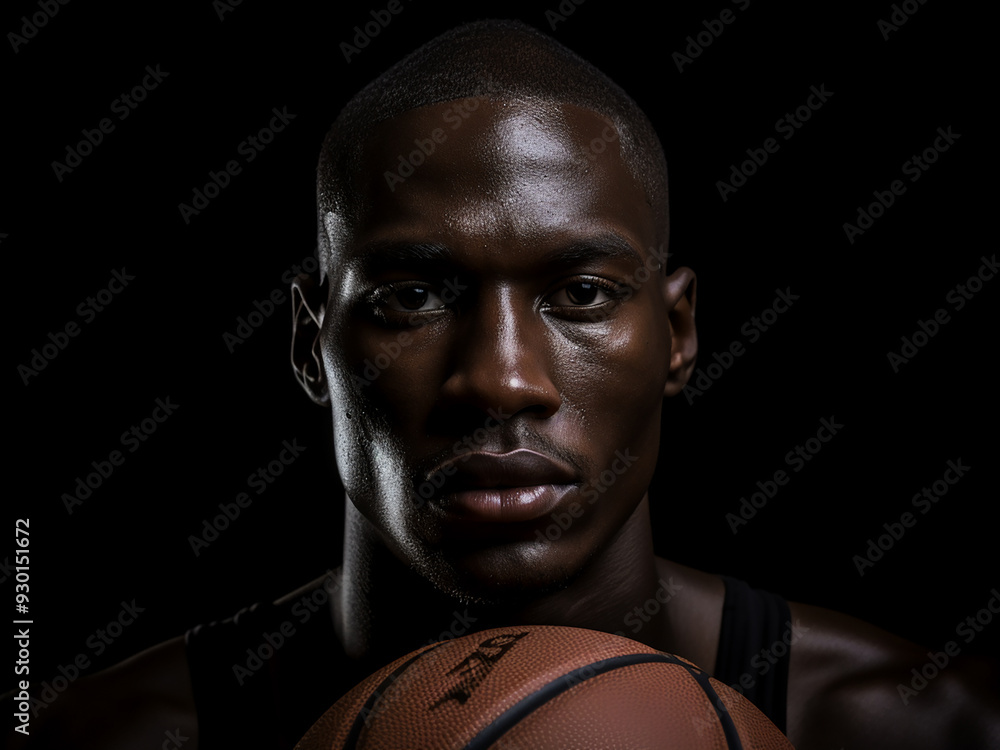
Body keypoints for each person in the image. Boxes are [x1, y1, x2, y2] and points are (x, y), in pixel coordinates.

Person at [9, 19, 998, 750]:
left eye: (578, 292)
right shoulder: (95, 741)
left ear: (678, 334)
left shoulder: (926, 729)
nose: (501, 380)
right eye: (409, 298)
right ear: (311, 346)